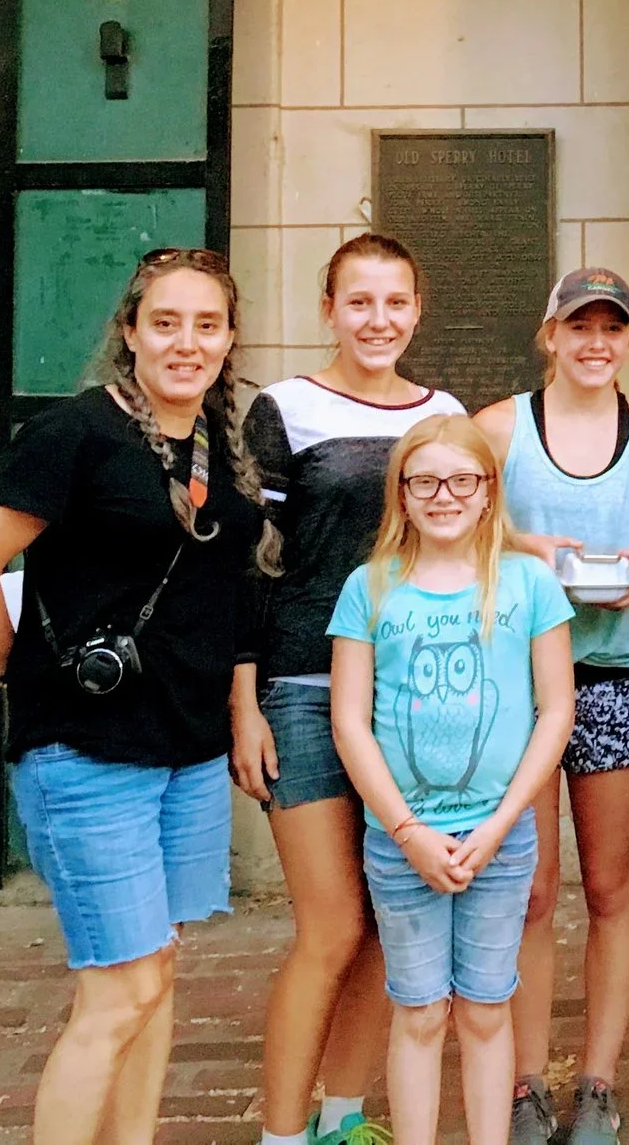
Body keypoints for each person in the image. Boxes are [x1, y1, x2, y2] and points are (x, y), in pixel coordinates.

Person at [0, 249, 264, 1145]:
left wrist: (239, 710)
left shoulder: (216, 440)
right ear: (129, 331)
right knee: (119, 991)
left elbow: (223, 594)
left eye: (206, 324)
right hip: (87, 751)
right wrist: (23, 672)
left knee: (157, 975)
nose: (186, 342)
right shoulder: (72, 434)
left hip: (185, 750)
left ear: (229, 338)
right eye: (166, 322)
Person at [234, 233, 469, 1145]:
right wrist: (244, 701)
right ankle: (282, 1133)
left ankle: (342, 1117)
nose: (379, 320)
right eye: (359, 301)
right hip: (299, 682)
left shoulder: (440, 410)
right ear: (328, 308)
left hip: (407, 694)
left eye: (396, 302)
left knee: (387, 923)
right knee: (330, 924)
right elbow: (254, 565)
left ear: (417, 309)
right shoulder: (285, 410)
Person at [474, 267, 629, 1145]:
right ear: (548, 333)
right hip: (513, 683)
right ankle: (525, 1083)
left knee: (608, 884)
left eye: (612, 328)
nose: (595, 342)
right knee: (525, 889)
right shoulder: (497, 427)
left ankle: (597, 1081)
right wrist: (528, 549)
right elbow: (447, 525)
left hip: (609, 672)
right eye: (578, 325)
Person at [330, 414, 577, 1145]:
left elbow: (556, 709)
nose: (444, 495)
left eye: (462, 480)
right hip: (402, 840)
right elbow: (350, 721)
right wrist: (407, 830)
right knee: (419, 1010)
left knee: (485, 1007)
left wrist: (501, 824)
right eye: (425, 481)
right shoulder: (369, 588)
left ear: (487, 491)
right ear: (401, 494)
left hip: (499, 838)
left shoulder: (528, 584)